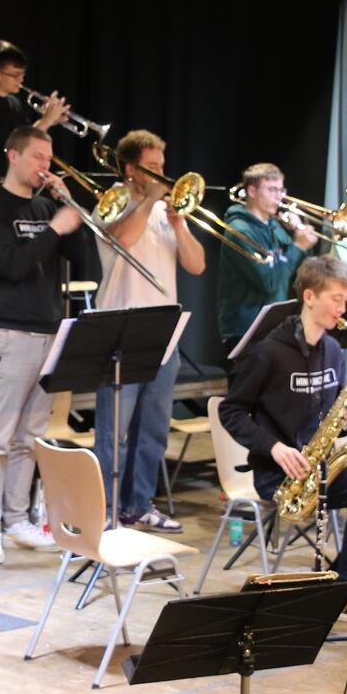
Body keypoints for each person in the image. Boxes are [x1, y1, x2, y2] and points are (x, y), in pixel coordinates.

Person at [219, 256, 347, 587]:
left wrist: (346, 418)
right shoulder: (268, 352)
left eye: (345, 300)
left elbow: (330, 419)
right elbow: (230, 412)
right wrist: (274, 448)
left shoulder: (331, 349)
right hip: (279, 477)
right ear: (310, 297)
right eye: (336, 299)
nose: (342, 309)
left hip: (320, 470)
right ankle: (346, 584)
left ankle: (346, 581)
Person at [0, 126, 87, 565]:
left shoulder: (46, 205)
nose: (45, 166)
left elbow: (81, 258)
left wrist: (67, 209)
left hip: (49, 331)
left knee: (30, 438)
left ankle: (17, 519)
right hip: (8, 331)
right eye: (37, 157)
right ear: (12, 155)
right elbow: (12, 265)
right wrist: (55, 228)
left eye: (48, 159)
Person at [92, 130, 207, 533]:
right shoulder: (113, 204)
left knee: (153, 432)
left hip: (165, 335)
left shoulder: (164, 212)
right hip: (119, 332)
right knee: (113, 435)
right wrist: (149, 200)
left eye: (162, 166)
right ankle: (104, 511)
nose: (162, 174)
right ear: (130, 168)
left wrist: (178, 223)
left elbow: (197, 265)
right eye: (152, 167)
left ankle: (139, 504)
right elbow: (121, 238)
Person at [217, 163, 320, 354]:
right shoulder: (239, 230)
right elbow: (270, 282)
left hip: (273, 327)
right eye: (272, 189)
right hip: (245, 330)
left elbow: (302, 271)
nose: (279, 196)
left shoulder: (274, 226)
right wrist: (297, 246)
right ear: (252, 191)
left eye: (281, 190)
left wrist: (299, 234)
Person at [0, 41, 67, 179]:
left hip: (15, 180)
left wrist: (51, 120)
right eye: (15, 75)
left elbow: (28, 135)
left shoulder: (14, 103)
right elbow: (17, 145)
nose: (21, 80)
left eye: (22, 74)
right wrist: (46, 120)